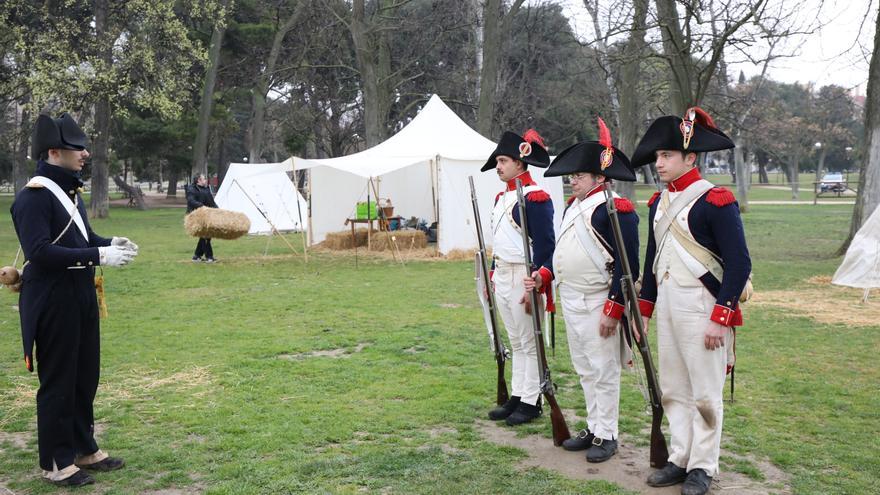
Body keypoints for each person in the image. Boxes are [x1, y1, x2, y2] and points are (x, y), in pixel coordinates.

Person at [11, 113, 138, 486]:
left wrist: (107, 243)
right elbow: (41, 252)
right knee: (59, 381)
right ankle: (56, 461)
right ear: (54, 152)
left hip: (79, 294)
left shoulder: (67, 191)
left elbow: (81, 239)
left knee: (85, 377)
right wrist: (98, 257)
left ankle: (83, 448)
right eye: (76, 148)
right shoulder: (33, 196)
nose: (84, 154)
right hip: (52, 299)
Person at [632, 108, 751, 495]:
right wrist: (644, 311)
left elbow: (739, 262)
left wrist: (721, 316)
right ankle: (679, 456)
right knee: (673, 388)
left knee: (704, 393)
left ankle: (703, 465)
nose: (659, 163)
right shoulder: (657, 204)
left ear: (690, 158)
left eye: (667, 155)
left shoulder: (714, 200)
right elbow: (651, 261)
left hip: (702, 307)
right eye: (657, 156)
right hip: (666, 303)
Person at [540, 118, 639, 463]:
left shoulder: (615, 208)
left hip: (598, 300)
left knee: (604, 369)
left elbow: (628, 267)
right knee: (584, 367)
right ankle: (595, 426)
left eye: (579, 176)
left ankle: (608, 433)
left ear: (600, 177)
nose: (572, 180)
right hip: (572, 298)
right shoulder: (573, 207)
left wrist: (614, 308)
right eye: (573, 176)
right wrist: (546, 276)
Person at [482, 129, 556, 426]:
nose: (498, 166)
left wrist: (537, 282)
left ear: (520, 163)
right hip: (503, 273)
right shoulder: (502, 197)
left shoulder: (536, 198)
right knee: (516, 339)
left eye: (503, 161)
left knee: (528, 341)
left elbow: (546, 245)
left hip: (523, 275)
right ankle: (518, 395)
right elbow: (499, 242)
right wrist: (491, 274)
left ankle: (531, 400)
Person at [186, 174, 218, 262]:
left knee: (205, 235)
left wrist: (218, 210)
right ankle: (209, 257)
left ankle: (197, 256)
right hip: (194, 216)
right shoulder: (191, 189)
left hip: (206, 216)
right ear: (199, 180)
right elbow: (191, 201)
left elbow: (212, 202)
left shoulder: (206, 189)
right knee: (205, 235)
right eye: (204, 179)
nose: (206, 180)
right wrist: (202, 206)